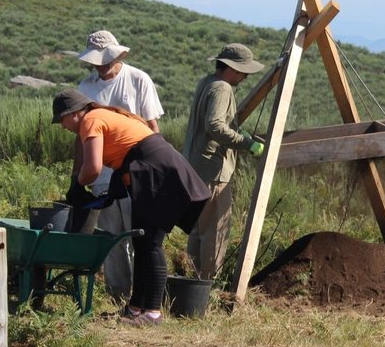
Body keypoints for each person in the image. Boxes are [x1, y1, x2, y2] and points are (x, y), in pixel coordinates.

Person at [53, 88, 211, 326]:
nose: (62, 126)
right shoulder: (100, 115)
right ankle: (136, 308)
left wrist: (78, 185)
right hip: (150, 170)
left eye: (61, 120)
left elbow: (93, 168)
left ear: (73, 112)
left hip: (154, 172)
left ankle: (153, 313)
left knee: (151, 244)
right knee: (142, 241)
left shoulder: (91, 120)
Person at [75, 30, 164, 303]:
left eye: (105, 59)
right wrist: (76, 177)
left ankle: (142, 298)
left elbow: (151, 127)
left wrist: (158, 169)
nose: (101, 65)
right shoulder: (85, 89)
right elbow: (82, 139)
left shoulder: (138, 79)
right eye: (96, 61)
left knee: (139, 235)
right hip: (102, 174)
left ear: (117, 56)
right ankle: (118, 296)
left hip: (135, 172)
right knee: (112, 238)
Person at [182, 43, 265, 280]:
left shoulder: (207, 82)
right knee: (214, 230)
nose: (246, 77)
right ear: (232, 69)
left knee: (198, 229)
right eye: (244, 71)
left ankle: (190, 280)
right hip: (213, 171)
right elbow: (215, 125)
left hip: (196, 167)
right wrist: (246, 143)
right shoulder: (222, 88)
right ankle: (206, 285)